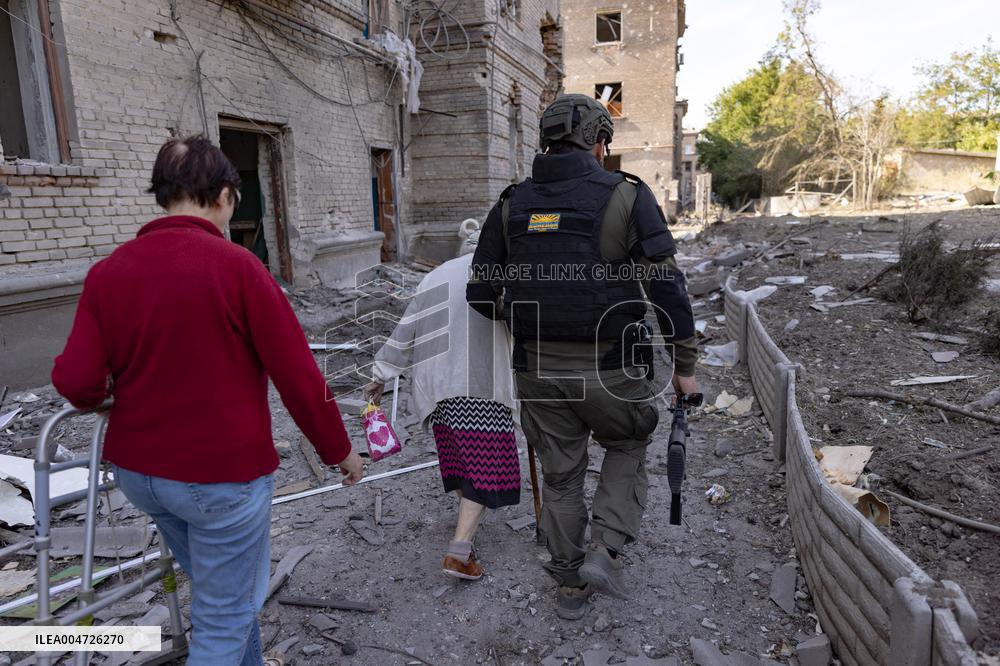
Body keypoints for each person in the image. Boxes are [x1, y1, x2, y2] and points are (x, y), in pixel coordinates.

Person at [52, 135, 364, 665]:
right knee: (223, 618)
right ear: (223, 195)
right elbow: (299, 376)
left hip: (142, 475)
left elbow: (76, 381)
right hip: (220, 479)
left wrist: (114, 387)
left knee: (226, 597)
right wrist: (340, 449)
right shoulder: (238, 267)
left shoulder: (108, 273)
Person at [466, 94, 700, 620]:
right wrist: (684, 367)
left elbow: (480, 295)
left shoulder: (510, 204)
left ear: (544, 140)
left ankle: (569, 582)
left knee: (562, 475)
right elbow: (667, 289)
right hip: (612, 369)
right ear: (600, 142)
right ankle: (605, 549)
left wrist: (530, 314)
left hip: (538, 373)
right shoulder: (626, 195)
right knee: (627, 442)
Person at [363, 220, 519, 581]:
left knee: (463, 466)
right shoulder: (502, 273)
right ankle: (458, 552)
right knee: (484, 470)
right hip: (482, 386)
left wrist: (381, 374)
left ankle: (466, 541)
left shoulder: (434, 277)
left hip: (437, 391)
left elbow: (406, 328)